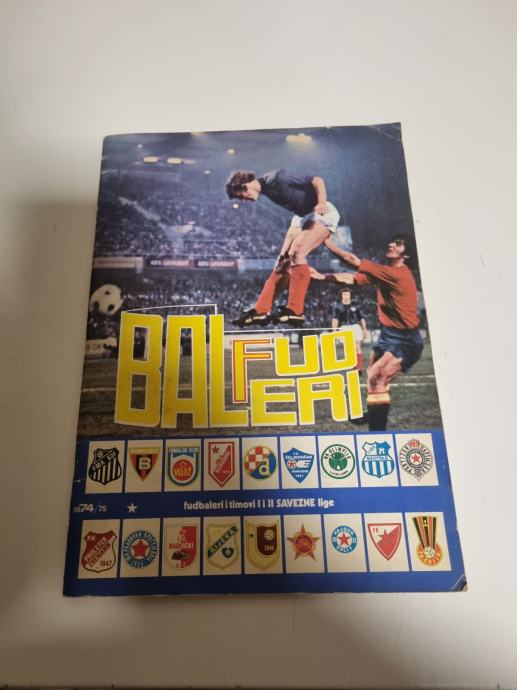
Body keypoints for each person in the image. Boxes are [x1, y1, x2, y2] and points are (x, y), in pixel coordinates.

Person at [311, 234, 423, 431]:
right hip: (389, 335)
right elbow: (352, 279)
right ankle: (374, 413)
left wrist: (327, 242)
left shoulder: (397, 274)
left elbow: (352, 260)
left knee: (377, 378)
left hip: (404, 339)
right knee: (373, 377)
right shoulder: (386, 274)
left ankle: (377, 431)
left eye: (398, 244)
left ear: (406, 256)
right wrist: (322, 277)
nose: (391, 244)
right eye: (393, 241)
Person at [226, 169, 340, 326]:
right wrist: (282, 253)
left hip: (321, 212)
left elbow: (317, 180)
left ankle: (296, 311)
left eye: (241, 196)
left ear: (244, 186)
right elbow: (296, 221)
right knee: (281, 265)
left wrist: (321, 202)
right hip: (302, 218)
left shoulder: (278, 177)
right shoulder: (266, 189)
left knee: (297, 253)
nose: (244, 201)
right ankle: (260, 311)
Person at [331, 287, 368, 373]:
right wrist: (334, 331)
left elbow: (362, 318)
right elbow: (335, 320)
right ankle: (354, 366)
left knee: (357, 347)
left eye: (348, 294)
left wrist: (364, 330)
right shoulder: (337, 306)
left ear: (350, 296)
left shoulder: (355, 306)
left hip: (355, 327)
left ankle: (359, 369)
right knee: (349, 349)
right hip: (344, 328)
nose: (346, 296)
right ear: (341, 296)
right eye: (344, 294)